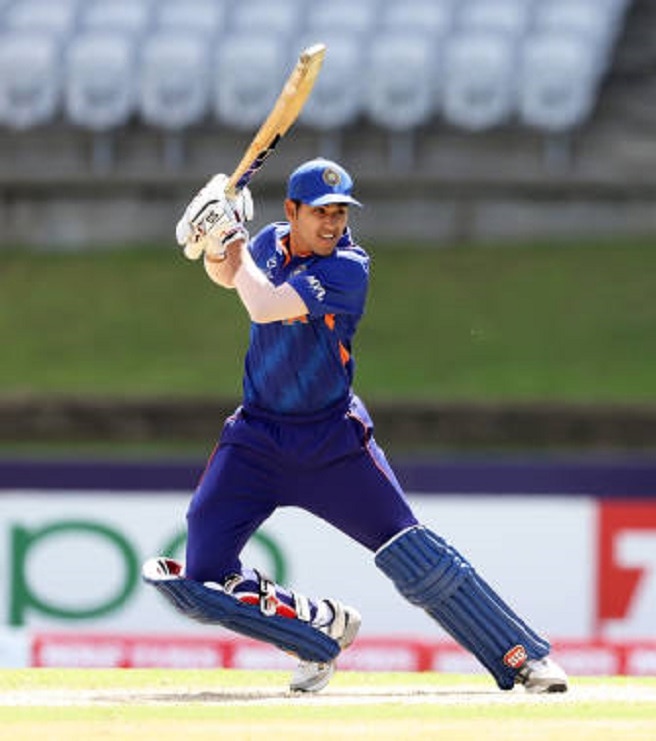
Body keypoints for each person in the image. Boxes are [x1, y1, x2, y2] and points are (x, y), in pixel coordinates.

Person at [142, 158, 568, 695]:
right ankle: (317, 627)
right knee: (201, 578)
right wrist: (215, 242)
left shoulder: (347, 268)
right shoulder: (269, 242)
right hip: (256, 439)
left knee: (412, 554)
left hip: (332, 444)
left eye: (339, 213)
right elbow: (230, 276)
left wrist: (232, 238)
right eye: (320, 213)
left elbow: (265, 306)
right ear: (292, 210)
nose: (331, 224)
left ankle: (524, 658)